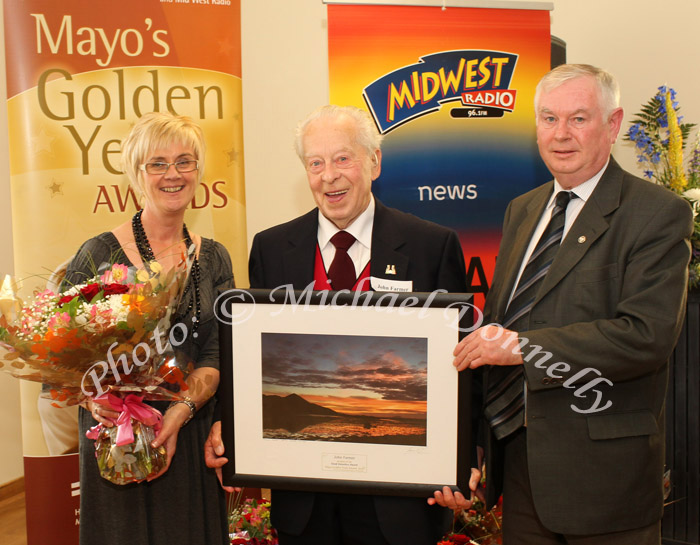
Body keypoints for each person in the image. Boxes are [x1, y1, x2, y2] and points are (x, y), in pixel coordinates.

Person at [438, 64, 693, 544]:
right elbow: (499, 326)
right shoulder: (524, 208)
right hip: (520, 474)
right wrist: (466, 448)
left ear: (613, 125)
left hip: (605, 485)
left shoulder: (657, 213)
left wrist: (526, 348)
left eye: (578, 119)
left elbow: (646, 336)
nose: (561, 135)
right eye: (548, 119)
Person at [206, 104, 477, 545]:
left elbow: (463, 365)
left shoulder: (432, 246)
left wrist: (466, 454)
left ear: (374, 161)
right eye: (316, 163)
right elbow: (249, 360)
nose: (329, 175)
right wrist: (229, 428)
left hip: (402, 506)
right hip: (304, 504)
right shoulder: (272, 248)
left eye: (342, 158)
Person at [63, 112, 233, 545]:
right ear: (136, 176)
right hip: (118, 440)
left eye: (184, 161)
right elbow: (63, 357)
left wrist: (178, 414)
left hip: (188, 433)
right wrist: (89, 393)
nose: (172, 174)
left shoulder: (214, 258)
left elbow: (217, 355)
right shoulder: (97, 254)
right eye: (157, 163)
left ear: (198, 171)